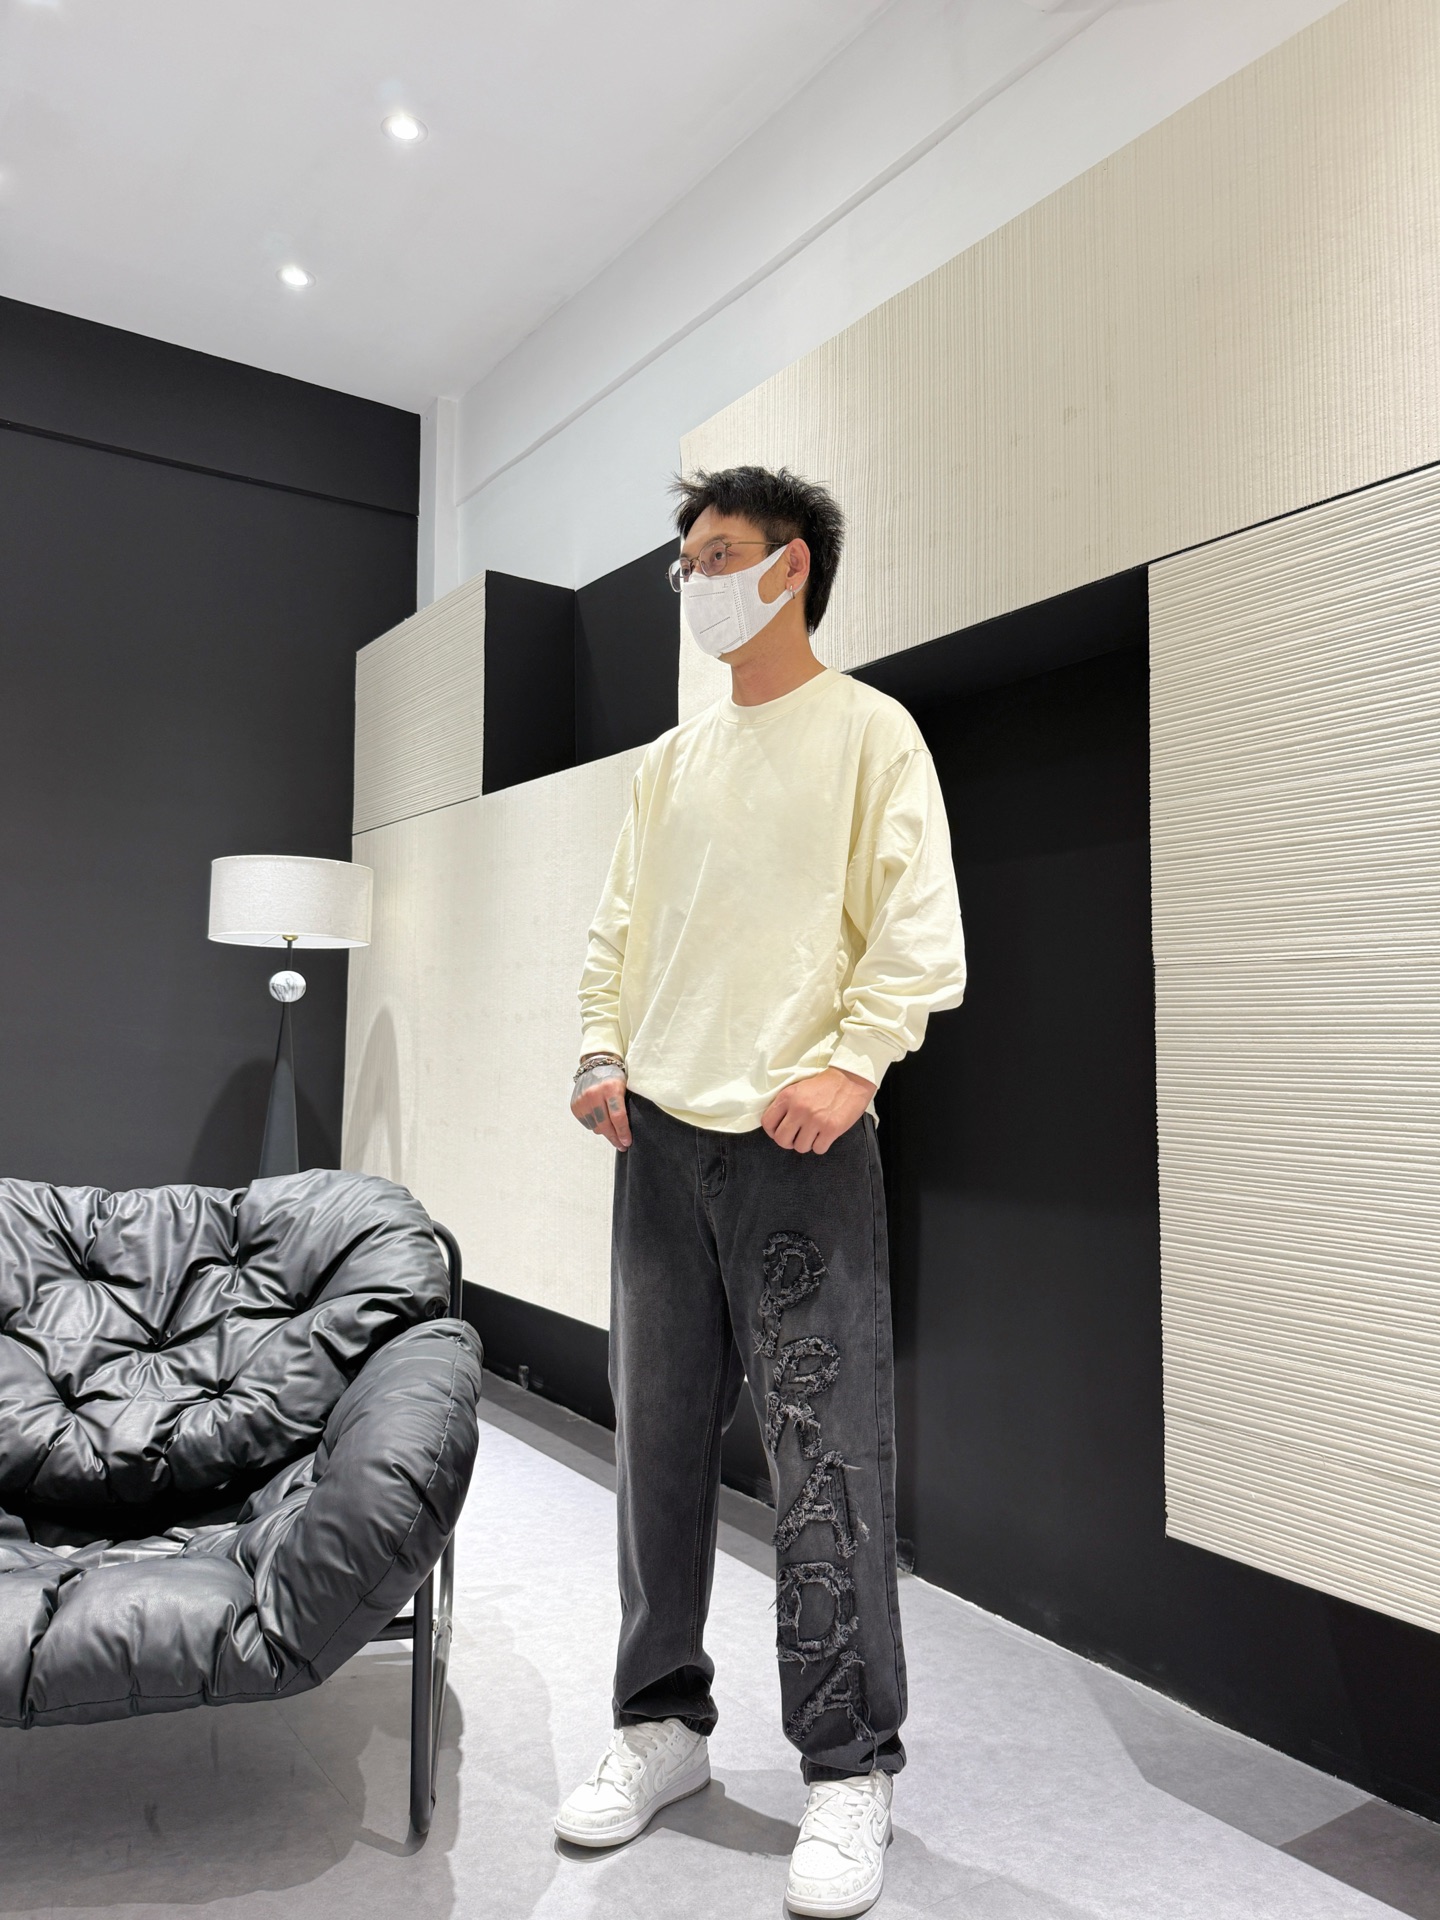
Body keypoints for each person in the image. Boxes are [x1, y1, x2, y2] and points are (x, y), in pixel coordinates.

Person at [555, 465, 966, 1918]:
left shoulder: (869, 732)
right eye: (686, 563)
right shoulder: (672, 763)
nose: (696, 584)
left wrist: (856, 1063)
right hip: (660, 1140)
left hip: (800, 1144)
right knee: (655, 1444)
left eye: (718, 555)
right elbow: (618, 929)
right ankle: (660, 1723)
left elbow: (917, 924)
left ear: (791, 569)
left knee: (825, 1458)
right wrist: (600, 1050)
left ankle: (846, 1768)